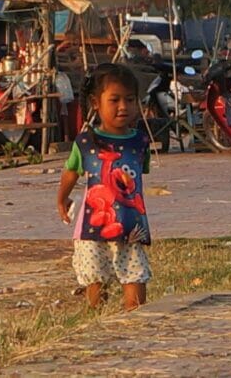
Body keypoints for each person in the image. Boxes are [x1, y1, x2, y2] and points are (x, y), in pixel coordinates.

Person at [56, 63, 152, 310]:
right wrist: (62, 198)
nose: (124, 107)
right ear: (95, 103)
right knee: (94, 273)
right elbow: (71, 171)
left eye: (130, 100)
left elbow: (137, 177)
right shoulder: (86, 142)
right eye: (115, 100)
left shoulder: (140, 142)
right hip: (93, 223)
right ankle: (97, 313)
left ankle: (134, 314)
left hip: (131, 223)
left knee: (134, 271)